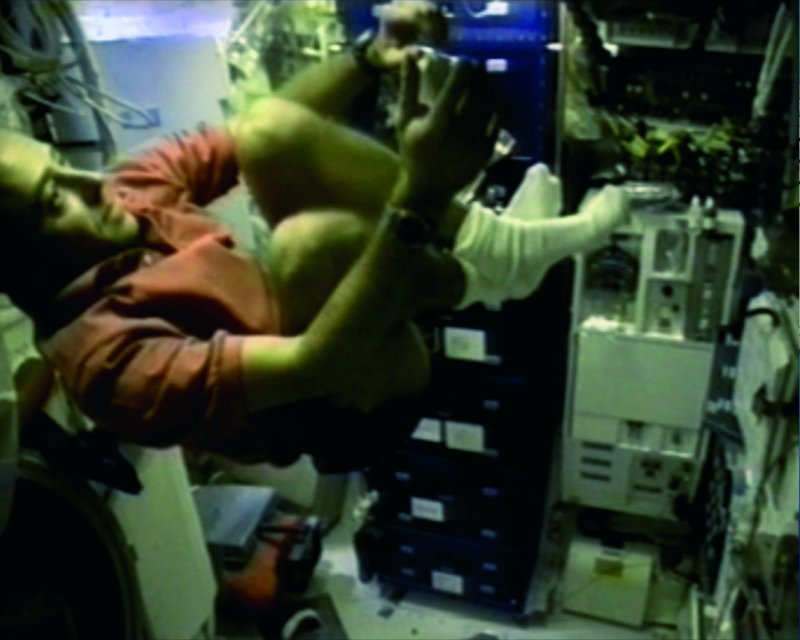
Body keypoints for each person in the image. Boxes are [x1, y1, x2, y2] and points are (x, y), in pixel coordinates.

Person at [0, 1, 628, 470]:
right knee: (311, 243)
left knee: (266, 128)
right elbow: (315, 364)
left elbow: (262, 131)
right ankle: (495, 264)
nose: (93, 184)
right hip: (337, 405)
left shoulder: (120, 189)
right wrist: (421, 196)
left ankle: (494, 247)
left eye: (62, 164)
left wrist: (369, 57)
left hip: (310, 319)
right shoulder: (109, 369)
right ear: (29, 269)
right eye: (56, 198)